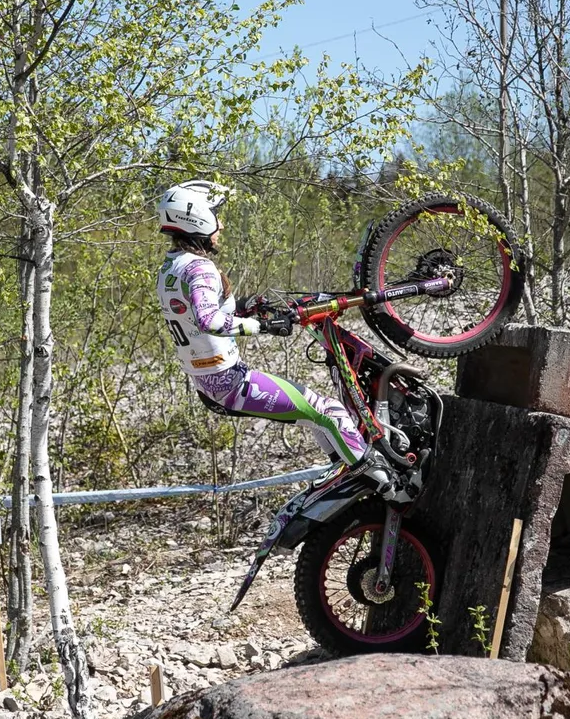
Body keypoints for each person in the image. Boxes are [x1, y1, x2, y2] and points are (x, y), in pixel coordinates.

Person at [154, 179, 412, 500]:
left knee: (314, 419)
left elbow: (196, 311)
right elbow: (210, 321)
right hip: (231, 383)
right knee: (330, 412)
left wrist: (249, 304)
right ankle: (390, 488)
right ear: (196, 218)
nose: (220, 223)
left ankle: (344, 471)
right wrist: (265, 326)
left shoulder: (171, 268)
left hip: (210, 383)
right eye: (215, 214)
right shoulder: (200, 268)